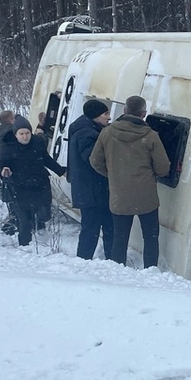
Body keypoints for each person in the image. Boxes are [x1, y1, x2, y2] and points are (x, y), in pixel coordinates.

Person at [90, 95, 170, 267]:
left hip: (119, 195)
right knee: (150, 237)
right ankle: (151, 271)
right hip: (146, 195)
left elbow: (95, 161)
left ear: (125, 110)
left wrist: (113, 174)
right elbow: (163, 167)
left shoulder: (107, 133)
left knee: (120, 238)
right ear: (144, 114)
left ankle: (118, 272)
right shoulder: (151, 136)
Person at [0, 115, 66, 247]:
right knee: (24, 221)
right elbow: (1, 165)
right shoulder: (8, 146)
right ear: (15, 134)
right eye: (21, 134)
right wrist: (4, 171)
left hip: (39, 184)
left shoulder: (37, 143)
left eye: (27, 133)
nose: (25, 137)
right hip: (19, 187)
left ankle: (40, 234)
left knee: (44, 215)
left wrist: (61, 171)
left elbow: (46, 159)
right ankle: (25, 247)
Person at [67, 98, 115, 260]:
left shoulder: (84, 128)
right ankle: (88, 260)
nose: (109, 117)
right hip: (94, 189)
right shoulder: (88, 134)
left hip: (90, 189)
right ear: (95, 115)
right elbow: (93, 160)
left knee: (92, 228)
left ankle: (87, 258)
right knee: (96, 228)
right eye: (105, 114)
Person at [0, 110, 18, 235]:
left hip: (2, 169)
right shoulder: (10, 133)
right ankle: (13, 225)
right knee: (16, 200)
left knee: (11, 198)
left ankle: (13, 222)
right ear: (11, 119)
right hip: (10, 169)